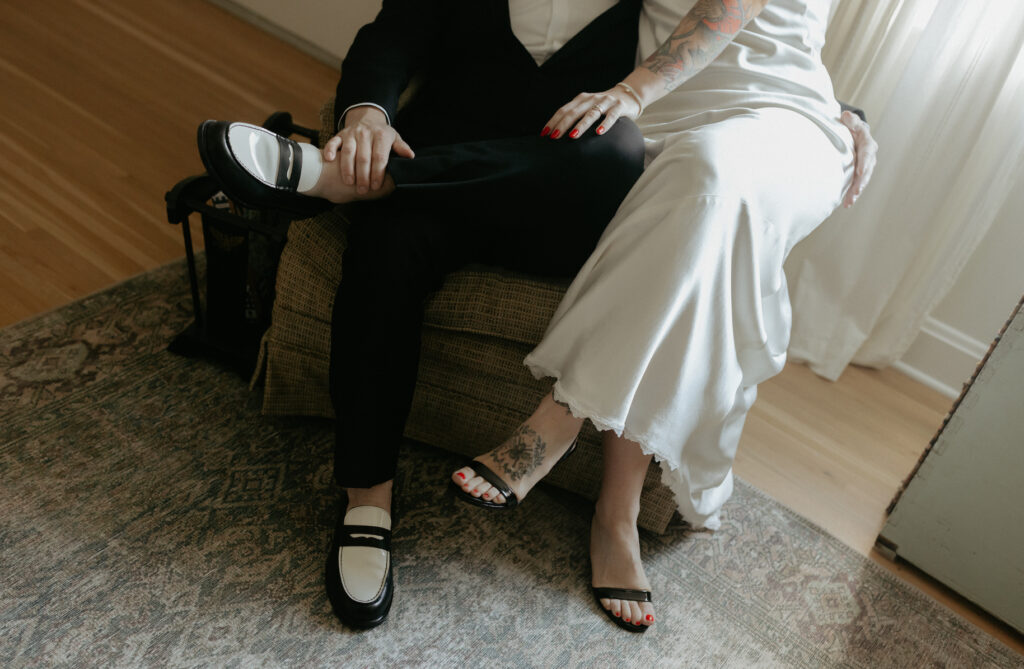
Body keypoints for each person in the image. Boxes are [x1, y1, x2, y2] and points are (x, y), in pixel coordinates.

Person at [197, 0, 876, 633]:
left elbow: (728, 32)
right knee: (384, 248)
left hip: (558, 200)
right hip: (443, 178)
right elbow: (392, 32)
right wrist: (364, 115)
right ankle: (366, 503)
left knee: (613, 156)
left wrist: (834, 111)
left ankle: (345, 183)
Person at [449, 0, 877, 633]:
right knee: (695, 204)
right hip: (673, 111)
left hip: (787, 121)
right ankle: (615, 516)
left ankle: (557, 420)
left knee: (712, 180)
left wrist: (851, 118)